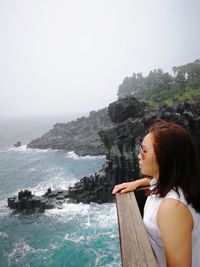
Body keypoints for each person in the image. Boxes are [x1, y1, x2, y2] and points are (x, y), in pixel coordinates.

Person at [112, 119, 200, 267]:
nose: (139, 156)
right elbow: (158, 180)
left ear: (164, 158)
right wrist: (137, 183)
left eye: (144, 151)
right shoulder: (177, 182)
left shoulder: (172, 209)